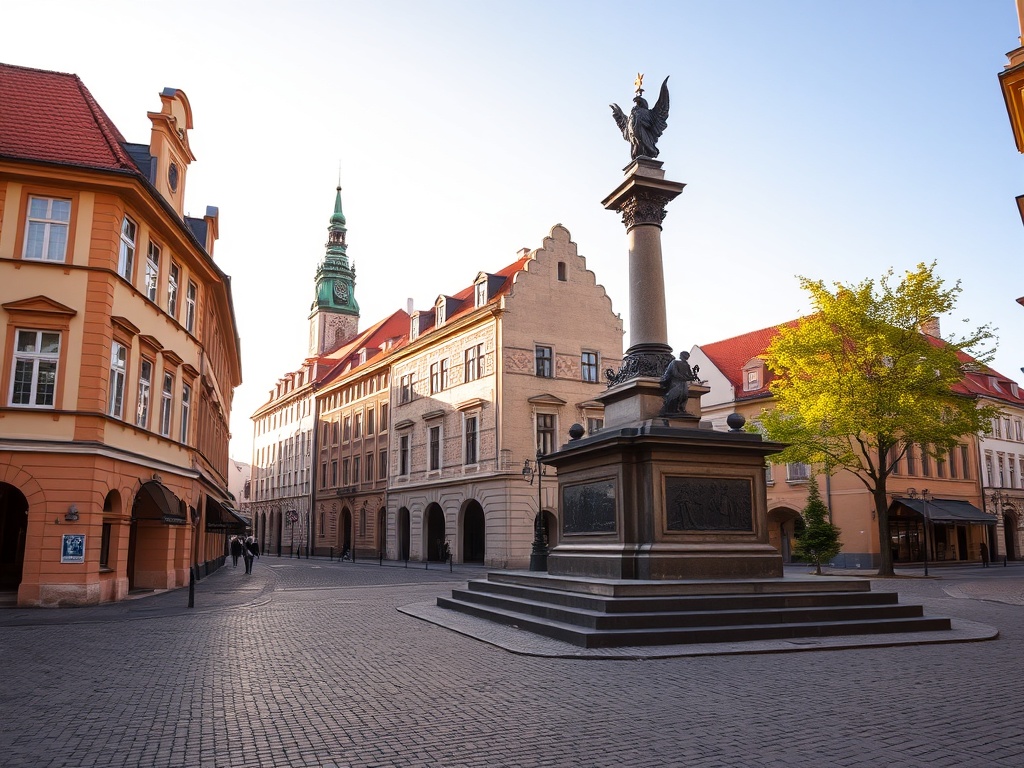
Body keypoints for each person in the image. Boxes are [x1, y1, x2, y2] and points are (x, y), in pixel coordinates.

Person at [659, 350, 699, 415]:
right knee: (676, 395)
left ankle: (681, 409)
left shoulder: (686, 365)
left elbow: (689, 375)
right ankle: (673, 409)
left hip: (682, 382)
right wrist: (686, 378)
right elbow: (675, 373)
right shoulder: (674, 362)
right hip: (675, 382)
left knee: (684, 396)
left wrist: (693, 376)